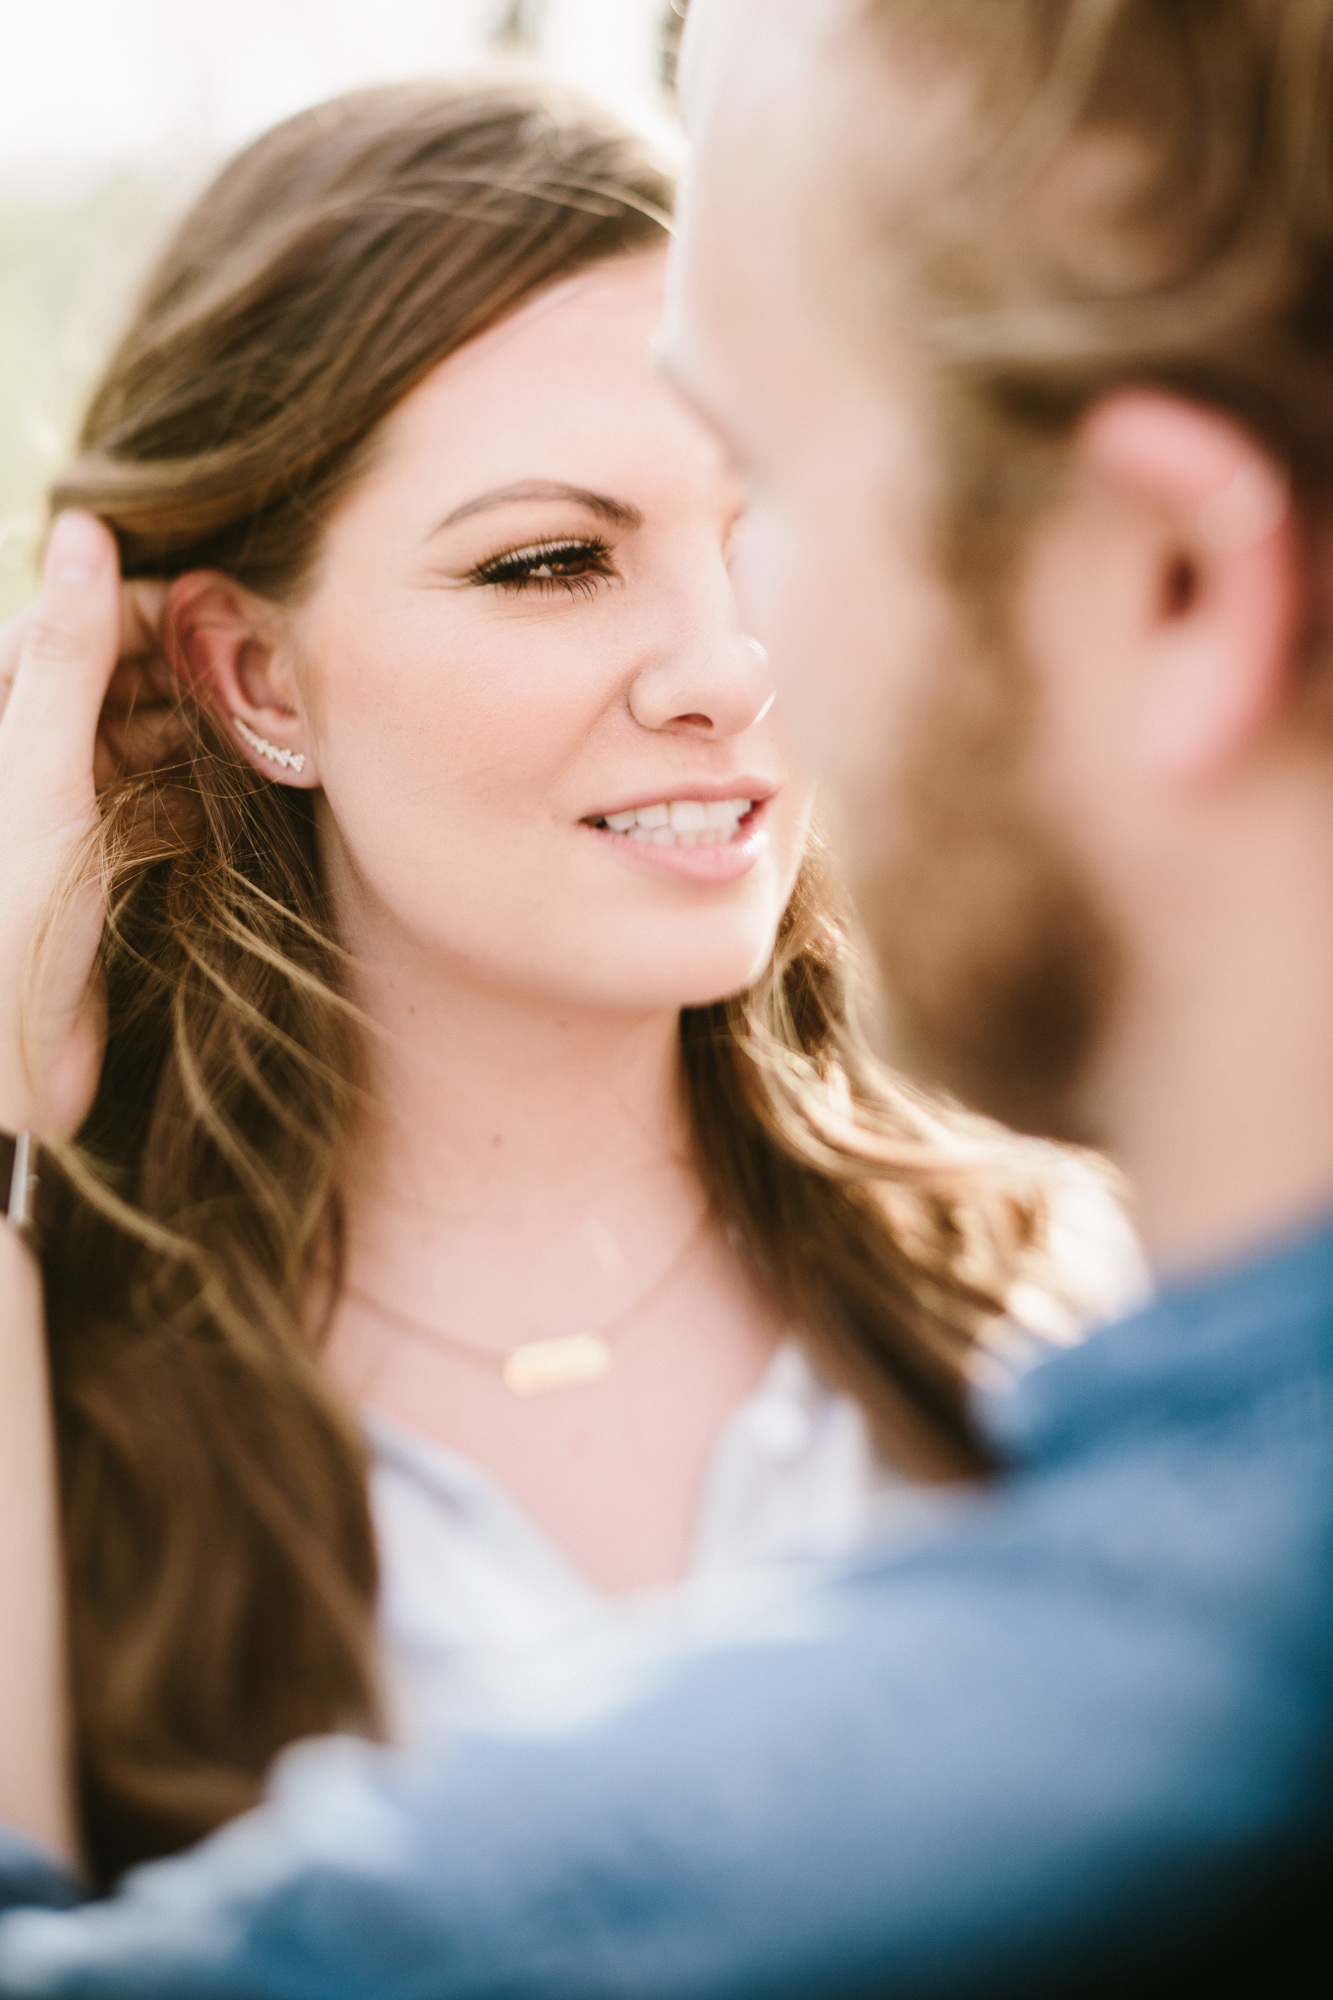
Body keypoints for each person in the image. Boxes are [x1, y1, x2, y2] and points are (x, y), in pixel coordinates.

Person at [2, 0, 1330, 1992]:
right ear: (249, 677)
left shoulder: (1087, 1282)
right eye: (550, 563)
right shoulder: (64, 1379)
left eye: (758, 517)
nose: (727, 658)